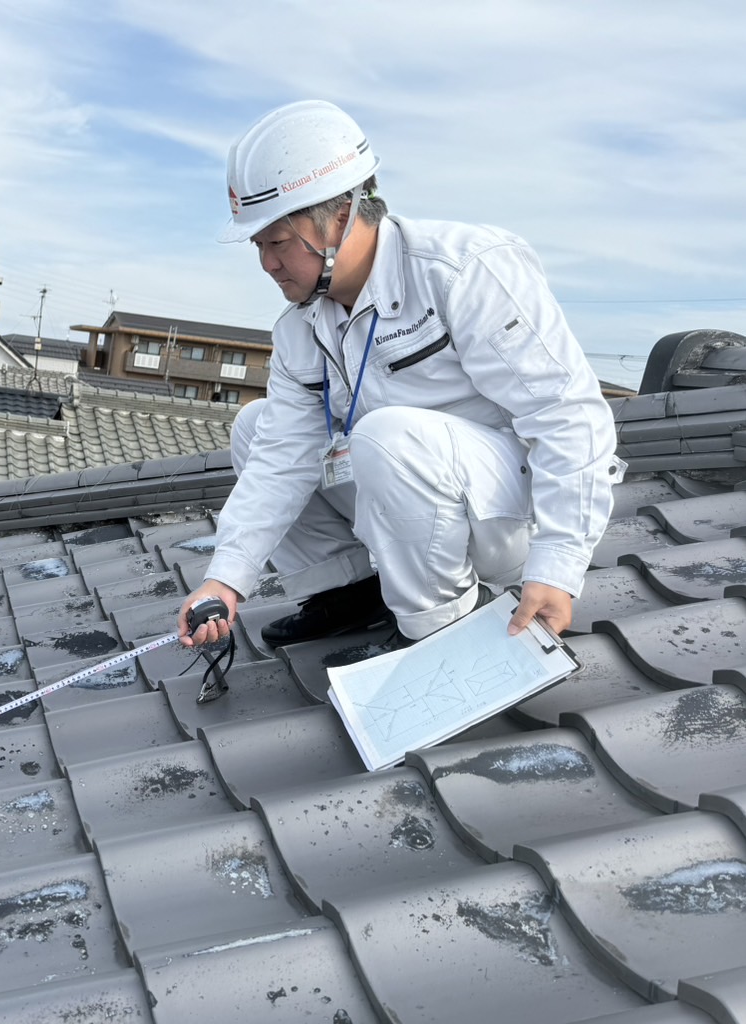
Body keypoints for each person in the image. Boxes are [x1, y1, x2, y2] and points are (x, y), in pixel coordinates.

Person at [179, 100, 622, 652]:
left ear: (338, 218)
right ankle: (354, 591)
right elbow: (279, 460)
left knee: (385, 436)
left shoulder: (463, 270)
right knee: (256, 425)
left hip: (508, 521)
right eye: (258, 245)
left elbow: (565, 413)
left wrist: (557, 566)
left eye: (277, 242)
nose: (266, 264)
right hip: (408, 502)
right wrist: (225, 577)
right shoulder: (302, 328)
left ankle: (442, 631)